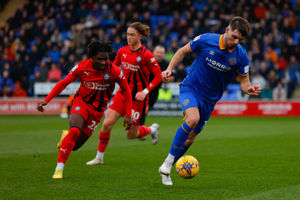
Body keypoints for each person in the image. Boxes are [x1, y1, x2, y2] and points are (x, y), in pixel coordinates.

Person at [159, 16, 261, 185]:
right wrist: (169, 69)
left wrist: (248, 88)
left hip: (210, 99)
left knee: (190, 138)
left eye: (240, 39)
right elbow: (182, 51)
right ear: (227, 30)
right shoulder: (207, 39)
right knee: (192, 119)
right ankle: (168, 164)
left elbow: (244, 81)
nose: (236, 41)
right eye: (234, 37)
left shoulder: (241, 55)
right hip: (191, 87)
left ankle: (166, 168)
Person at [37, 40, 132, 179]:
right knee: (75, 130)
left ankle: (65, 138)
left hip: (98, 111)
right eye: (100, 59)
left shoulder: (114, 71)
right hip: (81, 103)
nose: (104, 62)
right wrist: (46, 100)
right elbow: (63, 83)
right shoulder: (81, 67)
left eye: (106, 59)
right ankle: (59, 168)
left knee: (74, 146)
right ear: (92, 57)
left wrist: (128, 114)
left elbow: (127, 91)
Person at [86, 22, 162, 165]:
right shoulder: (122, 51)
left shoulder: (146, 55)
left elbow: (158, 76)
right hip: (122, 94)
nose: (129, 37)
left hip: (137, 99)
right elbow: (113, 68)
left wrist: (145, 92)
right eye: (127, 34)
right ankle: (99, 157)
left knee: (131, 134)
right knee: (107, 124)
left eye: (132, 35)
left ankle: (151, 130)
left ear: (140, 36)